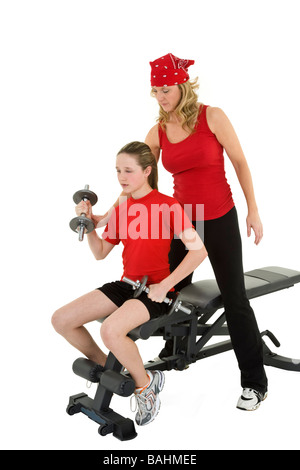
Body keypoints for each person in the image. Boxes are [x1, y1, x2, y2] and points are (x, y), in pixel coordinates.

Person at [144, 53, 268, 411]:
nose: (160, 97)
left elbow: (240, 162)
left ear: (182, 85)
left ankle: (255, 383)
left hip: (218, 217)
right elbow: (142, 180)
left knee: (235, 299)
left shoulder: (212, 116)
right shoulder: (158, 131)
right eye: (155, 91)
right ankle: (170, 354)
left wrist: (253, 211)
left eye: (165, 90)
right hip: (182, 223)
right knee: (167, 290)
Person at [52, 141, 207, 426]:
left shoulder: (167, 205)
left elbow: (199, 251)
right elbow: (100, 253)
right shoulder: (123, 206)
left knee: (111, 329)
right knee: (62, 319)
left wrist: (166, 286)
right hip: (126, 285)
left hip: (157, 290)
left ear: (147, 170)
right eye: (118, 170)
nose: (122, 177)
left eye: (128, 170)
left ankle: (145, 385)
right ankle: (107, 366)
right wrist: (87, 224)